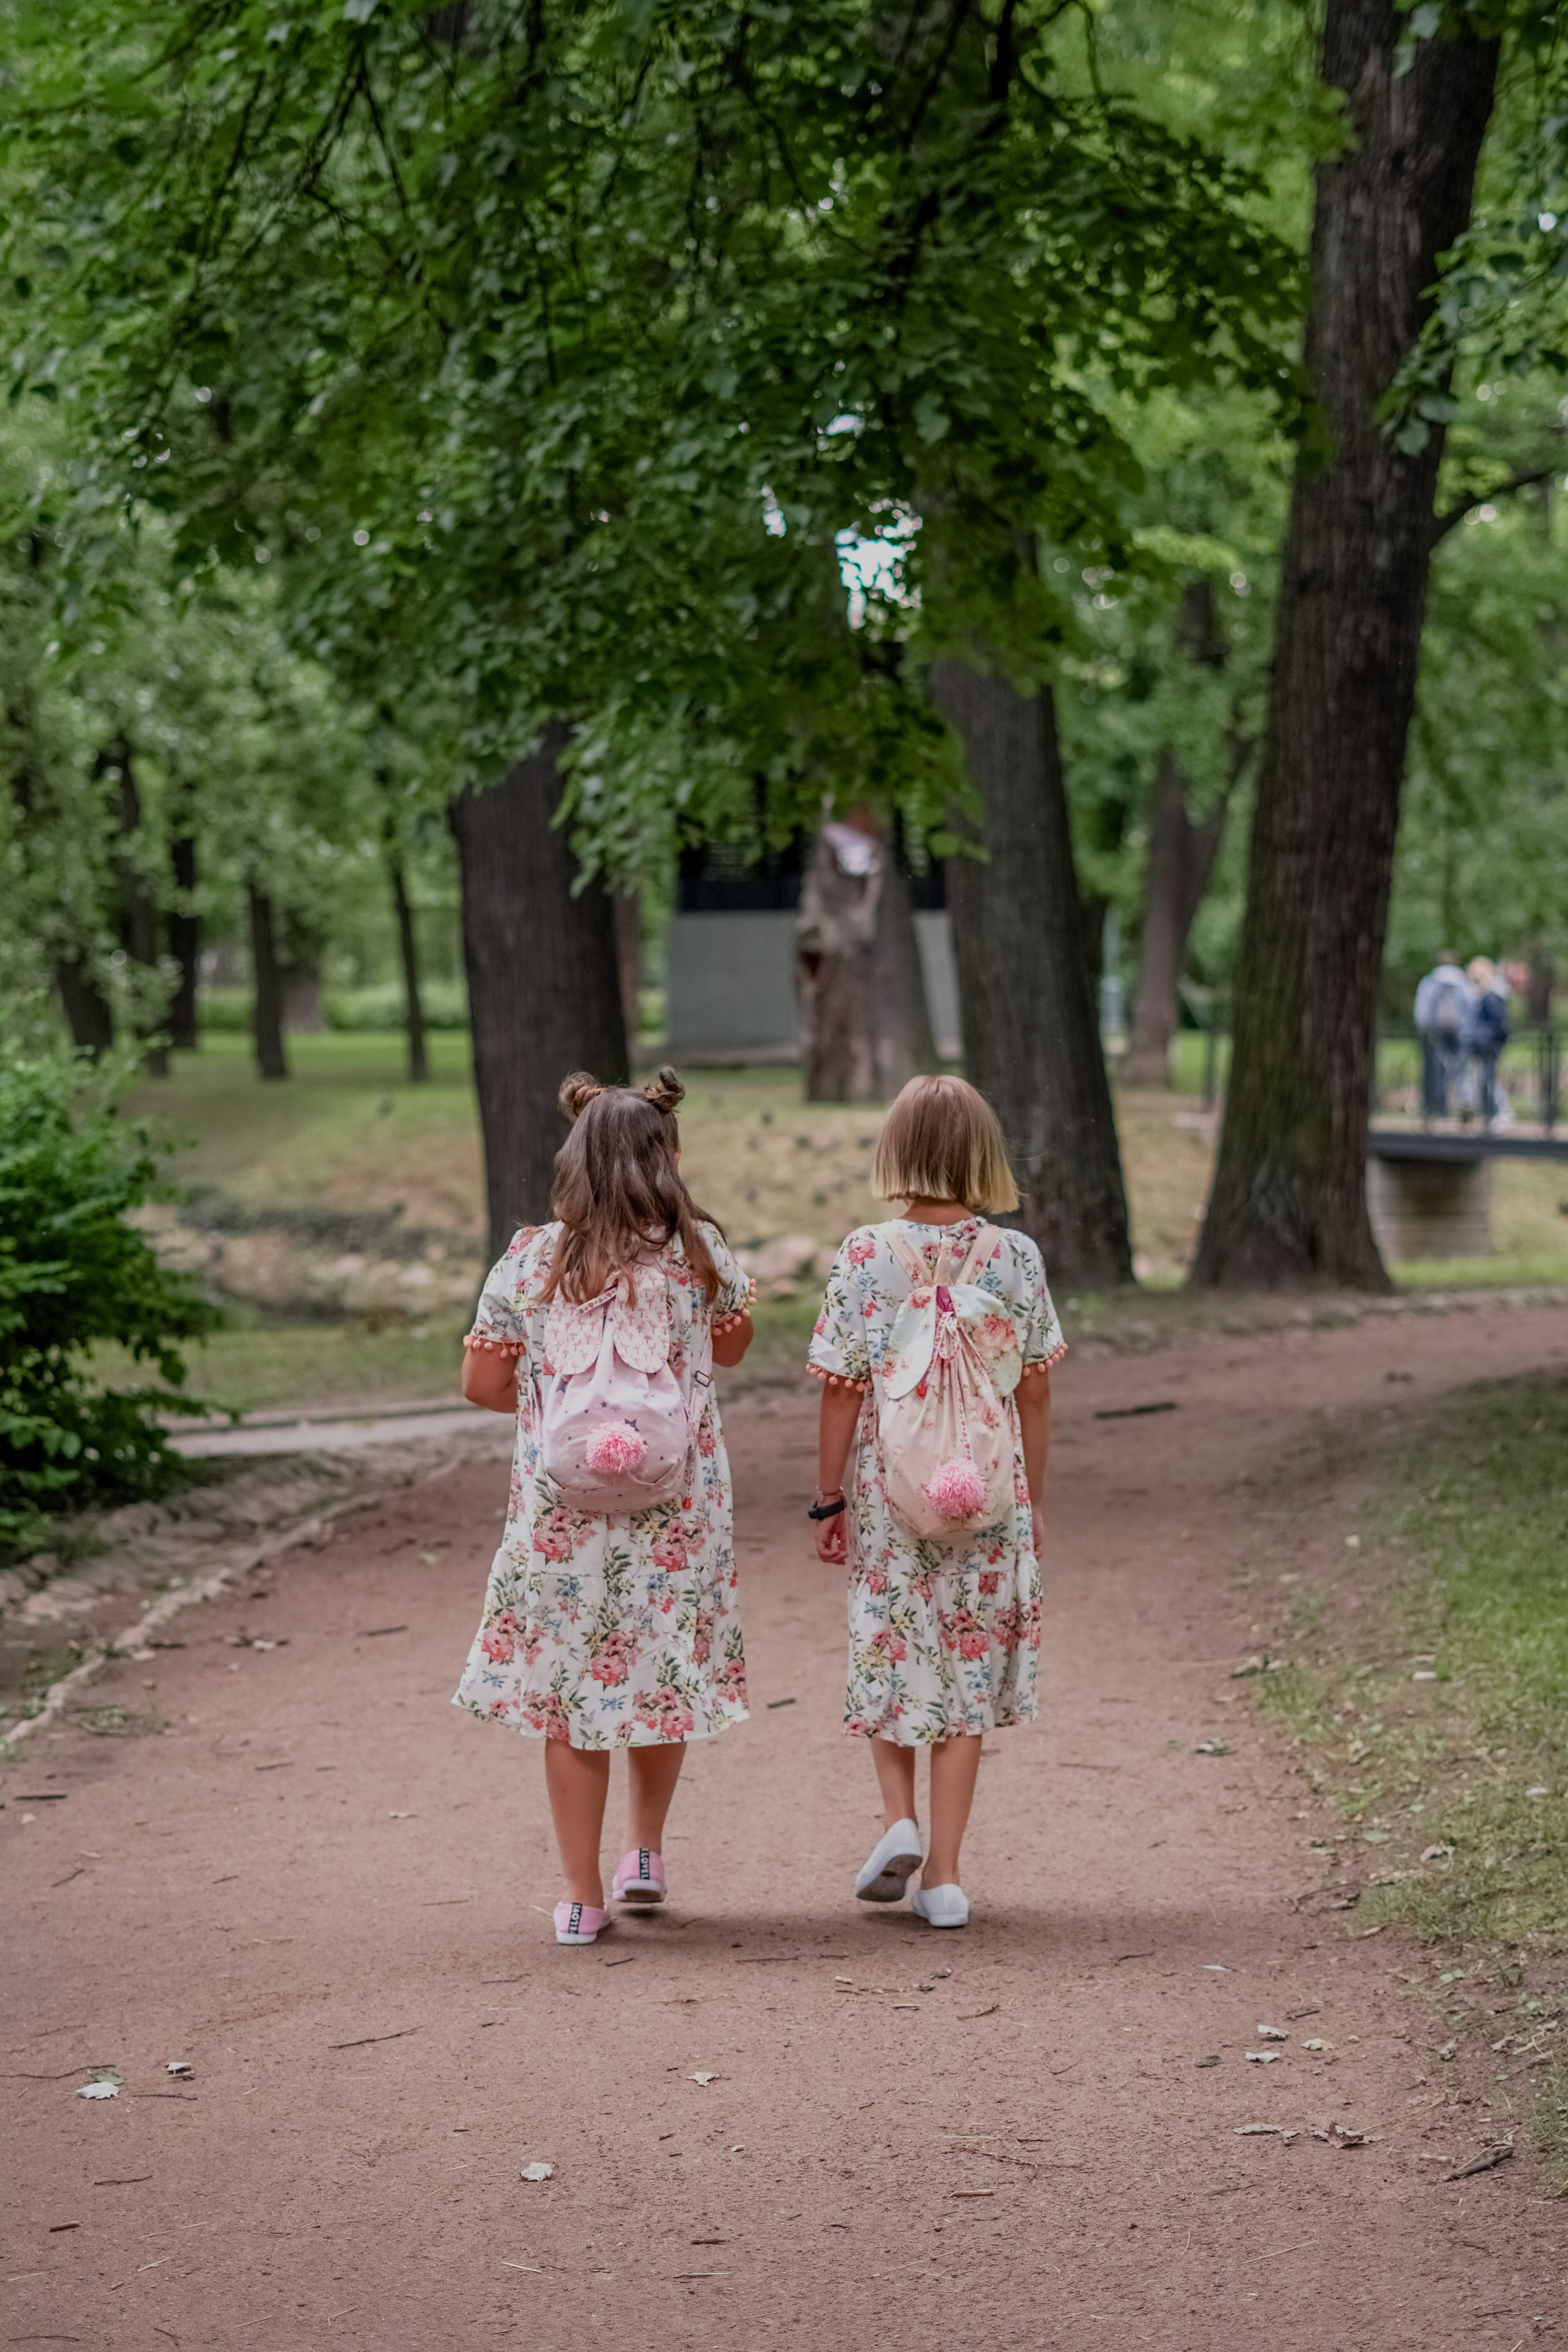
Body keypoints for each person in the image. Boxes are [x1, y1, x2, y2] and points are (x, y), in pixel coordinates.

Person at [454, 1066, 756, 1947]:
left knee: (570, 1700)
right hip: (678, 1514)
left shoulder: (530, 1259)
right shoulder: (699, 1252)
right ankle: (646, 1852)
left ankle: (583, 1899)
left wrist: (566, 1411)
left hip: (560, 1517)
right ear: (665, 1157)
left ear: (574, 1159)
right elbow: (732, 1350)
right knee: (658, 1679)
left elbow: (481, 1381)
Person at [807, 1074, 1064, 1928]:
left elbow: (841, 1390)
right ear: (983, 1156)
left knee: (892, 1647)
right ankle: (945, 1879)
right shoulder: (1016, 1258)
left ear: (898, 1152)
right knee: (970, 1670)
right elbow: (1033, 1393)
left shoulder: (864, 1255)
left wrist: (828, 1498)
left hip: (892, 1493)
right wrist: (1034, 1498)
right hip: (988, 1494)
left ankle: (899, 1821)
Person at [1414, 954, 1473, 1120]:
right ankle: (1464, 1104)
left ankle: (1435, 1107)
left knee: (1434, 1070)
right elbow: (1470, 1006)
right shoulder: (1462, 982)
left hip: (1434, 1031)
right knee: (1460, 1070)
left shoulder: (1430, 981)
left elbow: (1422, 1010)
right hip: (1457, 1031)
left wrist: (1424, 1027)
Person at [1464, 956, 1511, 1126]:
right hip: (1482, 1043)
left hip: (1488, 1043)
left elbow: (1498, 1022)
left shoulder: (1490, 994)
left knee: (1488, 1079)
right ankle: (1489, 1113)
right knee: (1483, 1079)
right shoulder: (1483, 994)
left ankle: (1496, 1112)